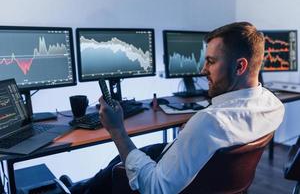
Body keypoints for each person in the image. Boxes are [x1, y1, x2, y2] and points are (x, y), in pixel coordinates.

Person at [66, 22, 285, 194]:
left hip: (186, 187)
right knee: (145, 151)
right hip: (216, 182)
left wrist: (117, 130)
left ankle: (79, 190)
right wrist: (192, 134)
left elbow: (155, 188)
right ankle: (81, 187)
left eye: (211, 61)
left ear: (240, 66)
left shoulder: (208, 122)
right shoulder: (274, 105)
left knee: (122, 163)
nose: (202, 69)